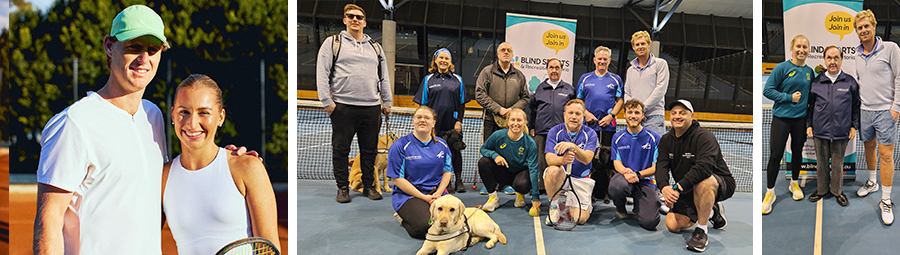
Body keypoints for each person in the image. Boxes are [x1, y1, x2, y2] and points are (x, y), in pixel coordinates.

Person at [32, 6, 171, 254]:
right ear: (109, 46)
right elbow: (48, 222)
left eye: (152, 50)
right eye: (134, 47)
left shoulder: (154, 117)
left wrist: (225, 159)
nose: (144, 59)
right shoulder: (74, 123)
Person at [162, 74, 281, 255]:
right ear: (172, 114)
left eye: (204, 112)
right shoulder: (162, 177)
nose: (192, 123)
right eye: (184, 112)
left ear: (220, 117)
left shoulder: (247, 167)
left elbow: (269, 249)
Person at [316, 3, 393, 203]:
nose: (355, 19)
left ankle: (369, 186)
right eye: (351, 16)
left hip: (371, 108)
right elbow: (322, 73)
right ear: (345, 20)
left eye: (359, 17)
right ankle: (343, 187)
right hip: (343, 108)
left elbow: (383, 76)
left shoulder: (375, 47)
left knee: (370, 151)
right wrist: (327, 102)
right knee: (341, 150)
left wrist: (387, 101)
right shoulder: (332, 43)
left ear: (364, 22)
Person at [657, 99, 734, 252]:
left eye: (682, 113)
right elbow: (661, 166)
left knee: (703, 183)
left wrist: (677, 187)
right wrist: (664, 188)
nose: (677, 116)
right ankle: (712, 212)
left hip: (718, 182)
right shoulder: (666, 140)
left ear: (692, 116)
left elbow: (704, 168)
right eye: (674, 113)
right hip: (687, 187)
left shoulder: (704, 136)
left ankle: (702, 230)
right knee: (672, 225)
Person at [853, 9, 897, 225]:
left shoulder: (890, 48)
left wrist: (895, 108)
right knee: (869, 148)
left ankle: (886, 200)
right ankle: (872, 182)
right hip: (865, 111)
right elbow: (860, 82)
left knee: (886, 155)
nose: (863, 30)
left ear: (874, 26)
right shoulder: (857, 55)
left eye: (866, 26)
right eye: (859, 28)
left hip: (885, 111)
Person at [761, 34, 813, 214]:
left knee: (797, 152)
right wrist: (788, 98)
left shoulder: (809, 72)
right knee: (776, 156)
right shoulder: (782, 68)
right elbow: (768, 90)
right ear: (792, 48)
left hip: (800, 120)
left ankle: (794, 184)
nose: (801, 50)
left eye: (805, 47)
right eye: (798, 46)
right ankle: (769, 193)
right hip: (781, 119)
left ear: (808, 50)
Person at [386, 106, 453, 239]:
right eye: (418, 117)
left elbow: (447, 172)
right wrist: (423, 197)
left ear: (433, 123)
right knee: (427, 227)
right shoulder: (400, 146)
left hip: (436, 194)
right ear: (413, 121)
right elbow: (397, 179)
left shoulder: (442, 145)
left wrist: (438, 193)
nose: (422, 120)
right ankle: (404, 217)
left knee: (454, 224)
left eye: (427, 118)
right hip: (408, 196)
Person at [806, 46, 859, 207]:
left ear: (841, 59)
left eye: (836, 58)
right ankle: (822, 190)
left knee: (838, 164)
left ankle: (837, 191)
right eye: (829, 58)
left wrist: (854, 126)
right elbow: (810, 106)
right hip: (819, 130)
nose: (832, 61)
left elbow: (856, 106)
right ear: (824, 60)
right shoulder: (816, 82)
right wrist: (809, 125)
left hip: (842, 131)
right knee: (821, 163)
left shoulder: (850, 82)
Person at [413, 48, 470, 194]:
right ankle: (445, 182)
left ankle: (458, 180)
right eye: (441, 58)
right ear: (436, 61)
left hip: (452, 123)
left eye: (447, 58)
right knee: (436, 153)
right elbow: (423, 105)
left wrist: (459, 121)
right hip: (434, 126)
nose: (443, 60)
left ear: (450, 62)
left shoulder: (458, 80)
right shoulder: (428, 80)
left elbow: (462, 103)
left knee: (455, 152)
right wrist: (425, 122)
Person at [575, 45, 623, 206]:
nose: (602, 61)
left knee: (608, 163)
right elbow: (579, 100)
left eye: (605, 59)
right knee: (589, 161)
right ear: (594, 60)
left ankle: (607, 193)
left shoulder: (616, 79)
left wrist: (611, 116)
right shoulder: (585, 78)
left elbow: (620, 101)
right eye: (599, 59)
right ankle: (589, 193)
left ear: (609, 61)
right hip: (588, 128)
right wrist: (586, 114)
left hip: (608, 128)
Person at [608, 99, 661, 231]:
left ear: (643, 116)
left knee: (650, 223)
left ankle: (640, 205)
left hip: (645, 181)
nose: (633, 115)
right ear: (624, 115)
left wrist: (638, 174)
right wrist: (627, 173)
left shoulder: (654, 137)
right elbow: (617, 162)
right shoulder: (617, 137)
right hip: (625, 179)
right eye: (629, 112)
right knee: (616, 186)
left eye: (637, 112)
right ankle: (620, 207)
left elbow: (656, 167)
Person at [543, 99, 598, 225]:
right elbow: (549, 158)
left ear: (583, 117)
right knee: (552, 171)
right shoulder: (554, 132)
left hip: (581, 179)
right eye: (570, 113)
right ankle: (554, 206)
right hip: (562, 176)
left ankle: (576, 202)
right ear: (564, 115)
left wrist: (573, 147)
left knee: (580, 219)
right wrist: (562, 160)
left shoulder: (591, 134)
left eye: (578, 114)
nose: (574, 117)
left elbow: (587, 159)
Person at [479, 109, 540, 213]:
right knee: (483, 162)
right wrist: (495, 155)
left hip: (520, 175)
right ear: (508, 122)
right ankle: (493, 197)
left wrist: (535, 198)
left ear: (525, 122)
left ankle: (520, 194)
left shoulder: (530, 143)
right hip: (503, 172)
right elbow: (484, 149)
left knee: (522, 184)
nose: (515, 123)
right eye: (512, 120)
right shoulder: (498, 135)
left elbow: (534, 170)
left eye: (519, 120)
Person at [530, 58, 576, 188]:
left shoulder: (569, 89)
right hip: (541, 130)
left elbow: (573, 110)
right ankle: (541, 187)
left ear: (561, 69)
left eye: (557, 68)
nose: (554, 70)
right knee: (541, 161)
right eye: (551, 67)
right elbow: (533, 110)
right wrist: (532, 126)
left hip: (562, 132)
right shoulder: (539, 88)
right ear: (547, 69)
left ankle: (559, 185)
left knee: (560, 160)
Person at [475, 42, 530, 142]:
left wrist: (512, 110)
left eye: (509, 51)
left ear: (512, 55)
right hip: (491, 121)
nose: (506, 52)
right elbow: (480, 94)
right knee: (490, 154)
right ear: (498, 54)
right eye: (503, 50)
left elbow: (525, 98)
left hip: (513, 124)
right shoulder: (487, 72)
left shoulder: (519, 75)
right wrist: (498, 109)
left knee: (511, 154)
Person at [624, 31, 669, 136]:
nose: (640, 47)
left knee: (656, 150)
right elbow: (627, 92)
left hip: (654, 117)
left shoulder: (661, 64)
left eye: (643, 43)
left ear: (649, 44)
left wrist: (641, 109)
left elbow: (660, 89)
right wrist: (633, 112)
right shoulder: (630, 70)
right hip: (635, 119)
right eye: (637, 44)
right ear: (633, 47)